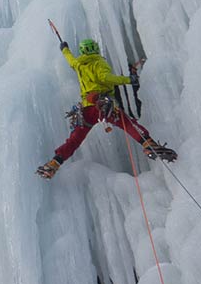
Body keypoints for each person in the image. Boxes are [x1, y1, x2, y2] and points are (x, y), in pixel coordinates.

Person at [37, 37, 175, 179]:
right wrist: (128, 80)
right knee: (127, 124)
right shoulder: (99, 62)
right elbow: (105, 78)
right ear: (95, 49)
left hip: (85, 110)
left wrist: (64, 48)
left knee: (74, 140)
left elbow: (70, 59)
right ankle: (148, 143)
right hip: (103, 104)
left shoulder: (78, 64)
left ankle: (55, 162)